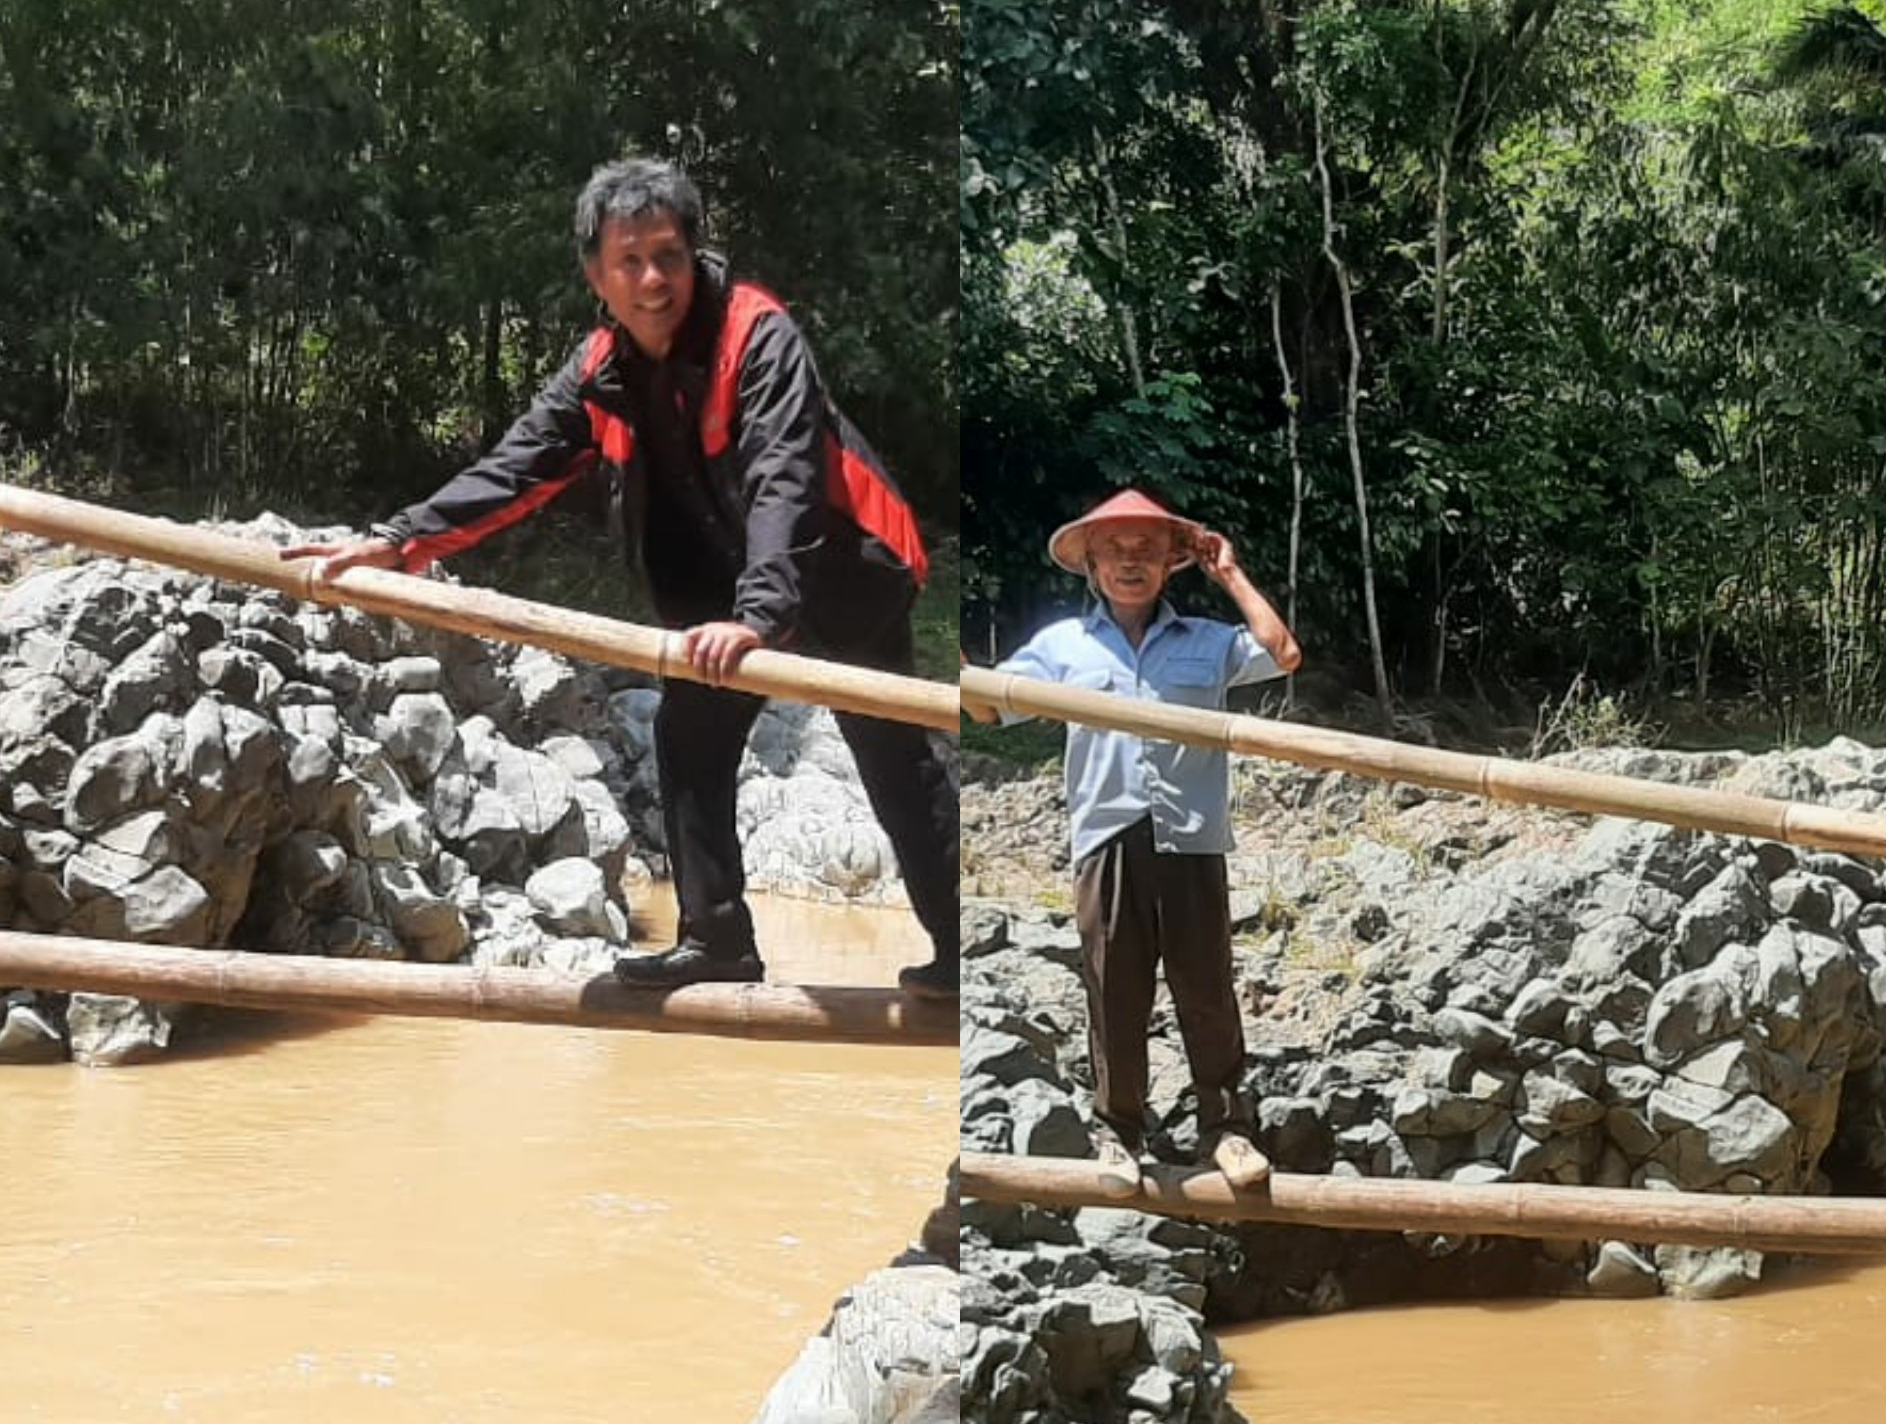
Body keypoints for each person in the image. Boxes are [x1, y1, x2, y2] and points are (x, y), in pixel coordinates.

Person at [283, 156, 957, 998]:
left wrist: (756, 616)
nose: (652, 279)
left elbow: (785, 480)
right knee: (689, 735)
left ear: (694, 255)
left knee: (890, 753)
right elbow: (514, 467)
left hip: (841, 572)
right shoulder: (600, 367)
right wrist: (397, 541)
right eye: (629, 259)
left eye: (668, 255)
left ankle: (958, 951)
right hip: (726, 588)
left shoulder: (759, 336)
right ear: (594, 273)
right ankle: (717, 941)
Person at [962, 489, 1300, 1194]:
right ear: (1090, 562)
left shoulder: (1206, 641)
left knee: (1205, 986)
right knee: (1114, 989)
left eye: (1147, 550)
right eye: (1114, 549)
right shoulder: (1062, 646)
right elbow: (991, 705)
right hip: (1107, 835)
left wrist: (1230, 575)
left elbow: (1283, 652)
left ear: (1172, 563)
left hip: (1192, 839)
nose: (1130, 562)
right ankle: (1119, 1134)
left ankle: (1228, 1130)